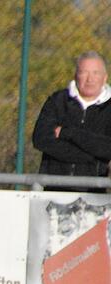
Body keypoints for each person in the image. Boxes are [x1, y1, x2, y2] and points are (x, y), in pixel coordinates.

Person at [33, 50, 111, 192]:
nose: (90, 79)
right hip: (54, 190)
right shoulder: (57, 101)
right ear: (76, 75)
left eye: (95, 73)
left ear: (105, 77)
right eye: (84, 72)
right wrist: (94, 157)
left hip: (94, 195)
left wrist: (66, 133)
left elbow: (108, 147)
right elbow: (41, 139)